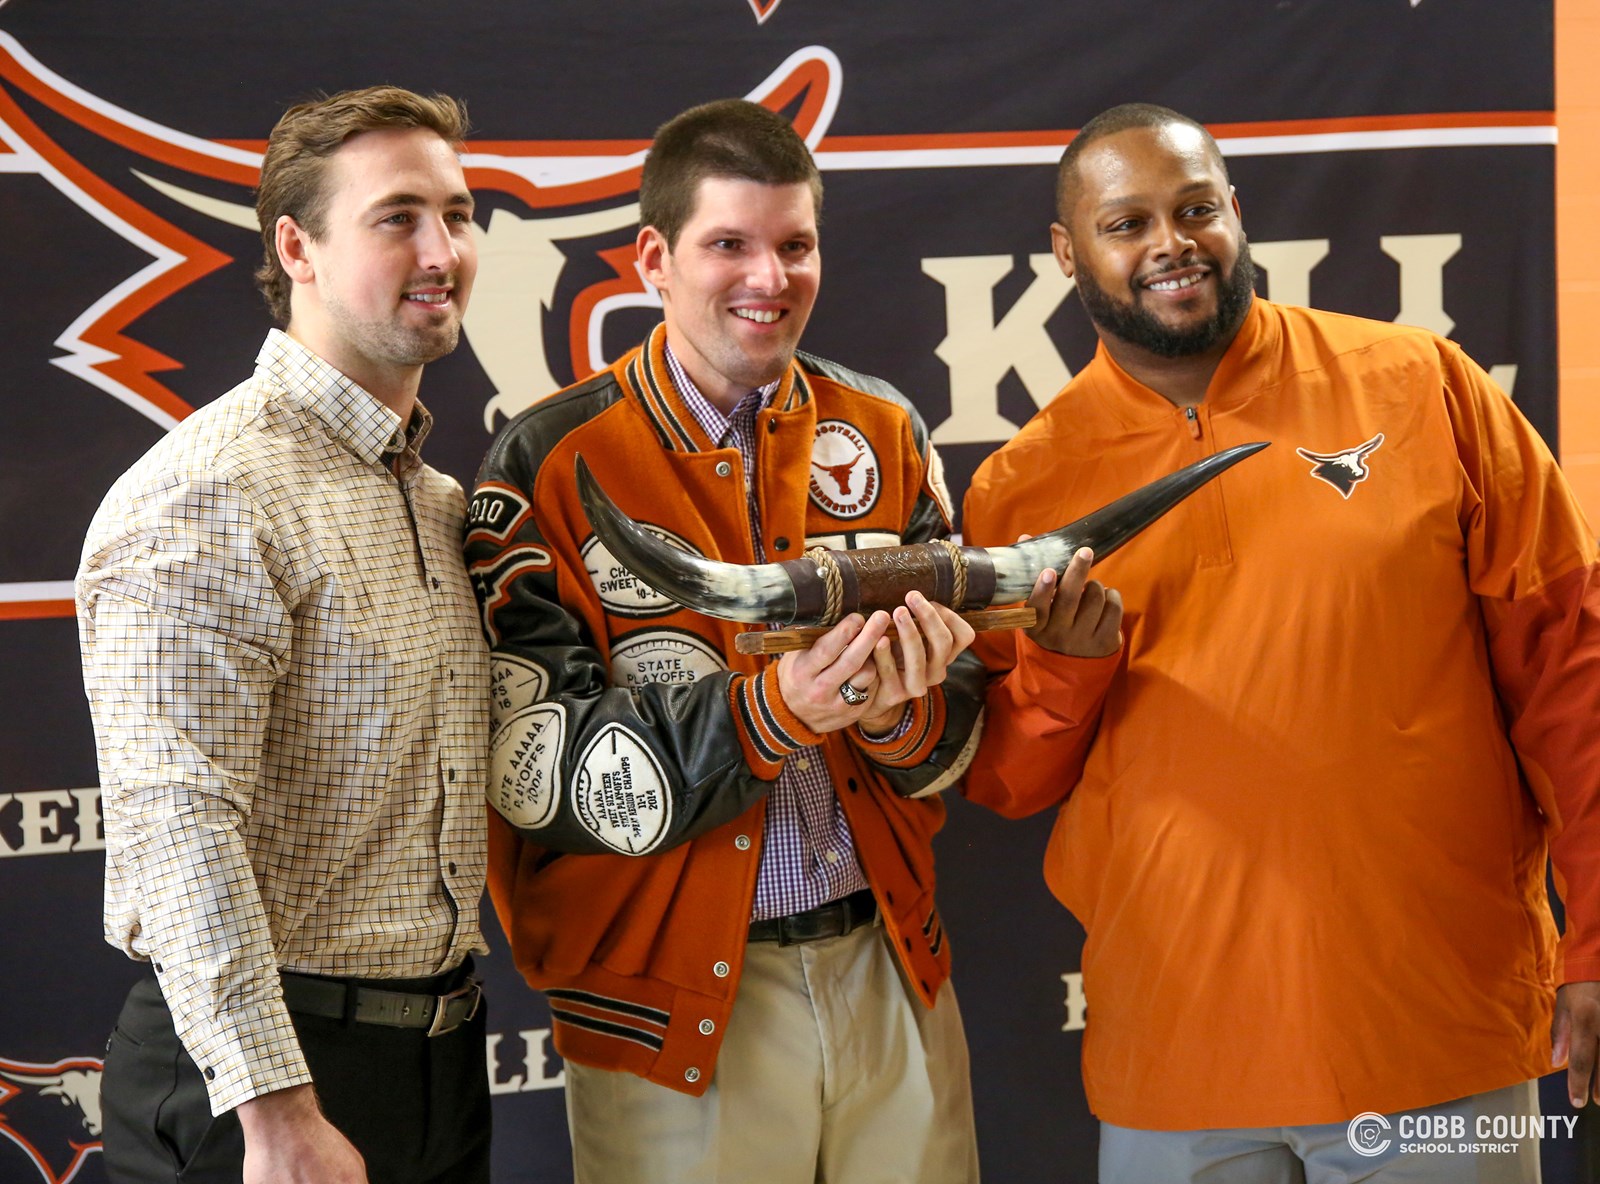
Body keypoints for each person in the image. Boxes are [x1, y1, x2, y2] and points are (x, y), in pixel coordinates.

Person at [961, 101, 1600, 1184]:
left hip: (1435, 1024)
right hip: (1176, 1053)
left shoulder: (1421, 383)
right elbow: (1008, 779)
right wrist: (1068, 665)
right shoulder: (1022, 486)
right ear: (1067, 252)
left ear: (1236, 212)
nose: (1170, 243)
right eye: (1126, 223)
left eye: (1194, 208)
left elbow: (1570, 672)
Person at [467, 98, 984, 1183]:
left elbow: (959, 722)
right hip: (670, 1007)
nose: (770, 276)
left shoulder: (883, 425)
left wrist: (897, 711)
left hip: (889, 962)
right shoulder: (548, 459)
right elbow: (536, 769)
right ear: (654, 259)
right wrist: (777, 710)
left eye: (795, 244)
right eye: (729, 245)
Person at [76, 86, 491, 1184]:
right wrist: (276, 1110)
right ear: (296, 248)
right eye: (397, 217)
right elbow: (178, 825)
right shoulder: (212, 491)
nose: (442, 251)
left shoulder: (437, 501)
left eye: (457, 214)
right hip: (259, 1091)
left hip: (438, 1063)